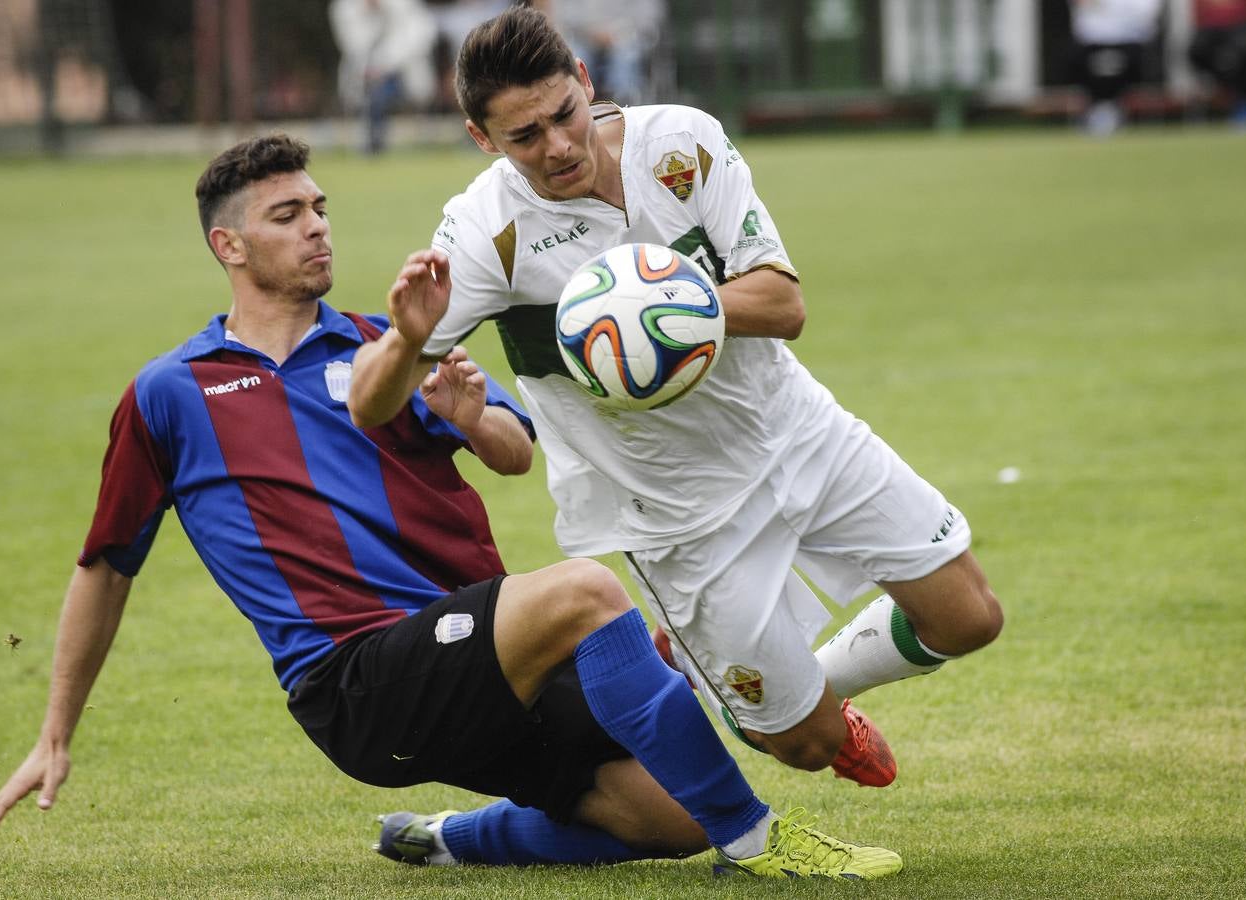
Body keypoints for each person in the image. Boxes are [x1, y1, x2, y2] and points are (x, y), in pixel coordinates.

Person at [0, 133, 902, 882]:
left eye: (321, 208)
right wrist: (54, 736)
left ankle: (451, 839)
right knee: (586, 593)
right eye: (287, 215)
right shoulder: (173, 392)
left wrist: (467, 411)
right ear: (230, 245)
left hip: (484, 658)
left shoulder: (389, 344)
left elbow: (515, 448)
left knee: (669, 823)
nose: (317, 228)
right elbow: (106, 565)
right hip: (356, 679)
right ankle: (760, 840)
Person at [349, 5, 1002, 800]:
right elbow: (367, 404)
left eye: (565, 113)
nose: (557, 145)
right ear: (482, 138)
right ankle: (778, 709)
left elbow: (783, 304)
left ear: (586, 81)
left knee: (969, 618)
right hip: (675, 514)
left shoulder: (680, 144)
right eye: (524, 136)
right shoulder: (484, 236)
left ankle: (806, 681)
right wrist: (403, 340)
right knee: (801, 744)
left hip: (794, 432)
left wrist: (657, 310)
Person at [329, 0, 439, 153]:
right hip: (366, 74)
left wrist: (386, 64)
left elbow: (421, 35)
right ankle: (371, 142)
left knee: (409, 86)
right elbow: (354, 45)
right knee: (371, 94)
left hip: (402, 70)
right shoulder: (345, 8)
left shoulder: (405, 5)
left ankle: (427, 139)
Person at [533, 0, 666, 105]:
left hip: (625, 37)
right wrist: (592, 32)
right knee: (573, 55)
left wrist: (618, 32)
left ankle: (623, 104)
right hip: (584, 37)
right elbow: (565, 13)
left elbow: (649, 15)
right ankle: (577, 104)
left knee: (625, 56)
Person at [1068, 0, 1164, 136]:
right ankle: (1100, 110)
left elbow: (1146, 14)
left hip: (1132, 44)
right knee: (1088, 65)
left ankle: (1116, 110)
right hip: (1093, 45)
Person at [1188, 0, 1246, 126]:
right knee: (1196, 51)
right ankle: (1218, 88)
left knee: (1245, 53)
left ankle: (1245, 104)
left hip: (1242, 25)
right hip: (1211, 28)